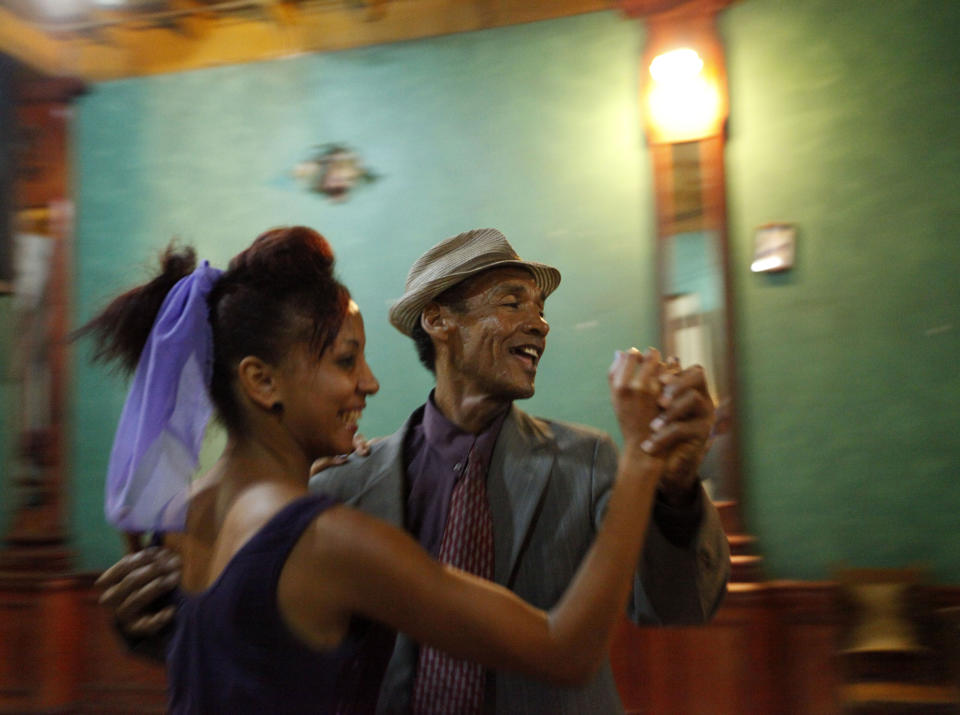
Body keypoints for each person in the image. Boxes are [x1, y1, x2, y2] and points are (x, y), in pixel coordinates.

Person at [99, 227, 731, 714]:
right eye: (513, 302)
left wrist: (671, 488)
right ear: (438, 321)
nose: (539, 322)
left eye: (541, 309)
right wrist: (151, 626)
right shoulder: (338, 489)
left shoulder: (591, 461)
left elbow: (677, 607)